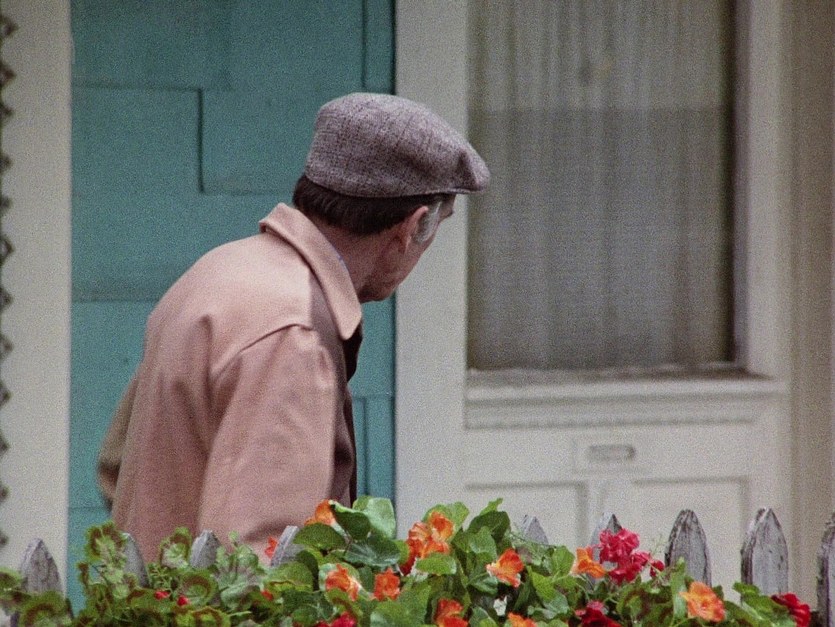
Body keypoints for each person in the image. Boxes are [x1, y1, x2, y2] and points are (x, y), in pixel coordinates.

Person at [96, 92, 490, 562]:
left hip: (154, 595)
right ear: (412, 226)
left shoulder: (219, 271)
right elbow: (263, 559)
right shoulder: (293, 333)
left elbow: (116, 469)